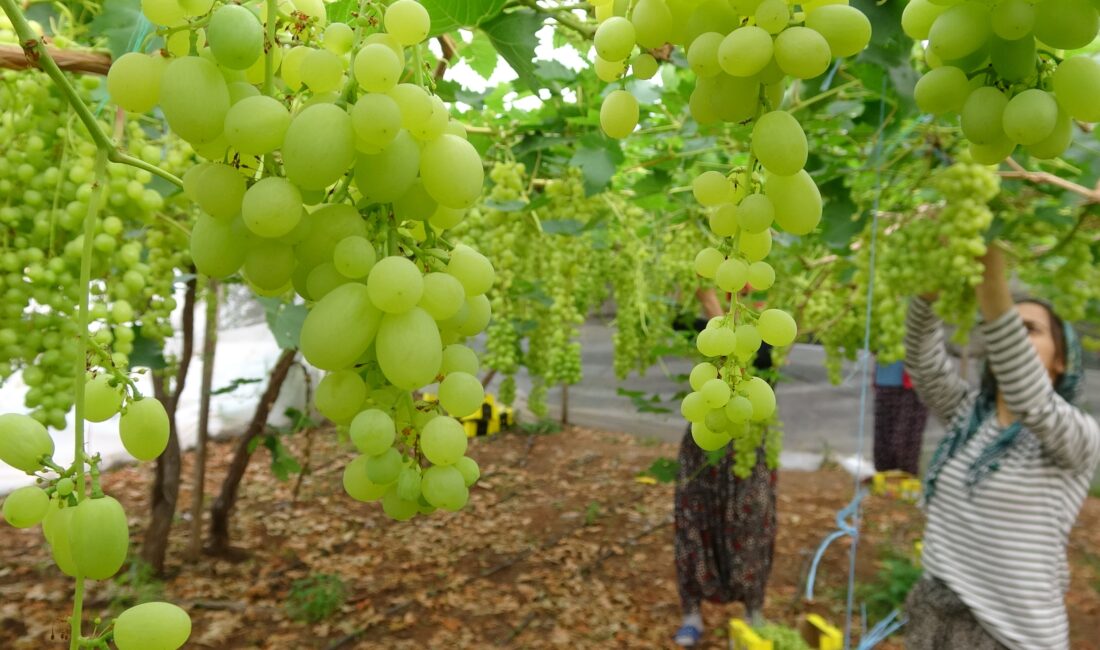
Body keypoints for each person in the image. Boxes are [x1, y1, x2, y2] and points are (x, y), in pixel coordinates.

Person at [903, 245, 1100, 650]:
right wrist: (925, 296)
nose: (1009, 334)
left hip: (1010, 637)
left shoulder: (1076, 436)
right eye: (1007, 327)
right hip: (936, 620)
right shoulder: (969, 418)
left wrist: (991, 280)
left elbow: (1031, 399)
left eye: (1030, 329)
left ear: (1062, 360)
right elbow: (922, 362)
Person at [673, 288, 776, 647]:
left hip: (746, 444)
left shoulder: (764, 323)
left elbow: (761, 359)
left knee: (752, 525)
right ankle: (691, 612)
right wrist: (694, 298)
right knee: (692, 521)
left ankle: (753, 611)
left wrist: (714, 306)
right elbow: (678, 322)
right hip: (706, 438)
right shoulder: (712, 324)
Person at [872, 359, 929, 475]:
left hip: (913, 385)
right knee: (883, 449)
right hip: (884, 380)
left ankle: (906, 487)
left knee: (904, 447)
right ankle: (885, 487)